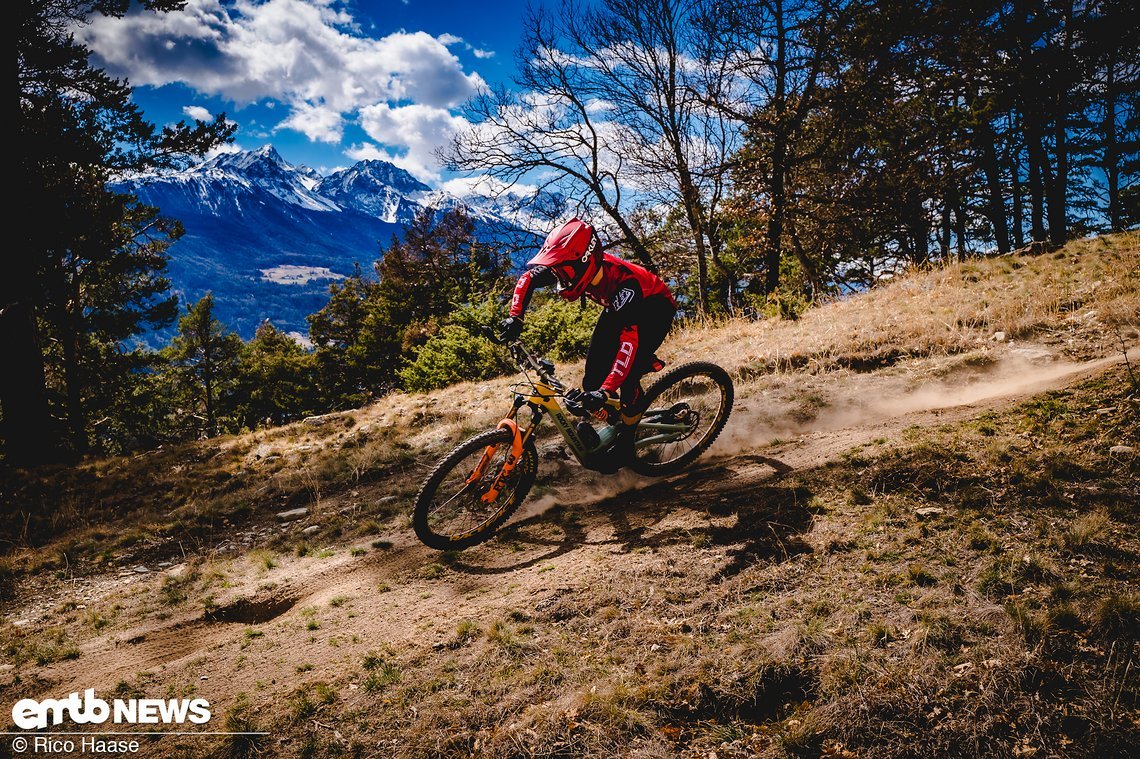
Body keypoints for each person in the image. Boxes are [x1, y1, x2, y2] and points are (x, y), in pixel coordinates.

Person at [498, 218, 677, 463]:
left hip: (652, 310)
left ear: (585, 262)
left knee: (628, 374)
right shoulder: (575, 266)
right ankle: (616, 420)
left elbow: (628, 344)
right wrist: (515, 317)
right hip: (616, 307)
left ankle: (626, 443)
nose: (560, 276)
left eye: (564, 270)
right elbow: (528, 278)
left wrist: (606, 391)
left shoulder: (626, 286)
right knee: (591, 379)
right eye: (558, 269)